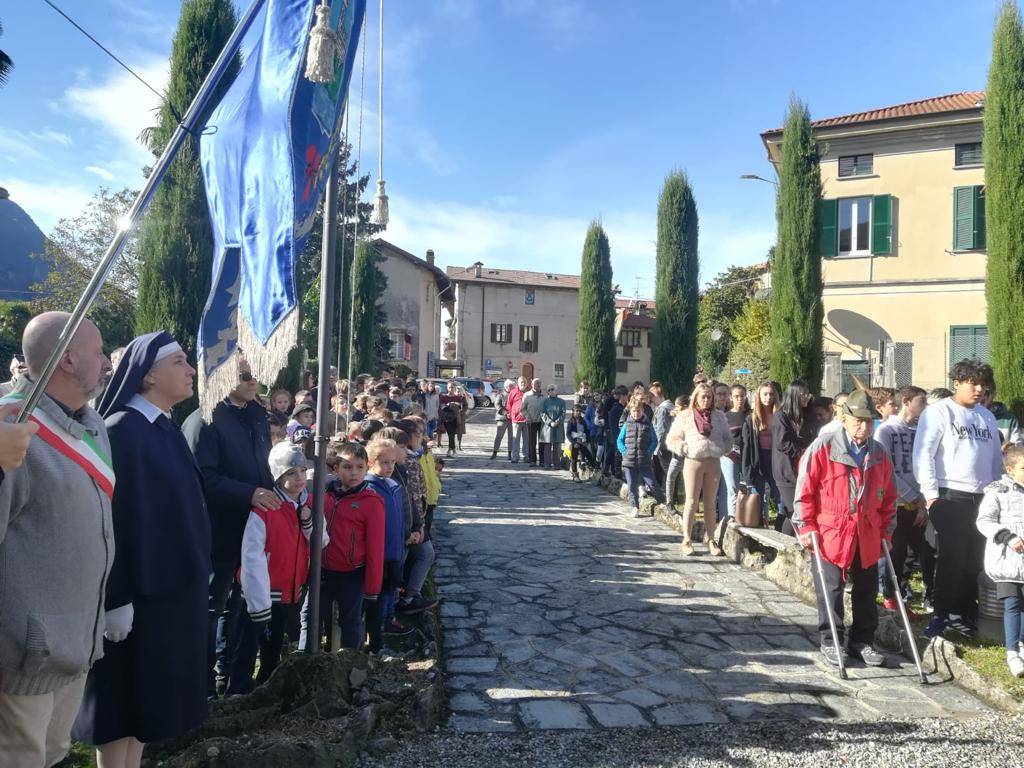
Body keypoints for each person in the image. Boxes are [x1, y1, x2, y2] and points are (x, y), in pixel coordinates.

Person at [72, 332, 210, 768]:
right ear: (148, 374)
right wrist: (117, 598)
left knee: (147, 710)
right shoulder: (122, 431)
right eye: (181, 362)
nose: (191, 371)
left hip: (169, 594)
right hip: (138, 596)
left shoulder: (163, 426)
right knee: (122, 706)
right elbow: (111, 521)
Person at [0, 312, 112, 768]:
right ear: (67, 359)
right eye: (100, 351)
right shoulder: (11, 428)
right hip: (25, 653)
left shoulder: (93, 425)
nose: (108, 361)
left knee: (52, 754)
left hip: (76, 640)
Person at [793, 390, 896, 668]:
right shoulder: (823, 447)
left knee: (866, 589)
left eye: (870, 422)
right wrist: (805, 526)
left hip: (868, 531)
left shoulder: (879, 453)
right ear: (844, 419)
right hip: (830, 531)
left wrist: (887, 531)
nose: (864, 427)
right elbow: (805, 491)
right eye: (859, 421)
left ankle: (862, 642)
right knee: (832, 589)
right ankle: (832, 640)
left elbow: (888, 497)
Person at [195, 356, 274, 698]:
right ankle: (203, 687)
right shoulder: (207, 419)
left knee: (245, 603)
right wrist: (250, 493)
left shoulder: (256, 413)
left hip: (253, 526)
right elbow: (204, 478)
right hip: (219, 528)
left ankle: (234, 677)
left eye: (255, 373)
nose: (252, 380)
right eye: (243, 375)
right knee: (212, 606)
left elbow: (263, 465)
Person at [914, 360, 1003, 639]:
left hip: (983, 496)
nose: (979, 389)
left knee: (975, 558)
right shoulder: (938, 412)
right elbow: (923, 454)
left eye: (983, 385)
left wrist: (998, 493)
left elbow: (995, 460)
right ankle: (941, 613)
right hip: (950, 494)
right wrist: (930, 497)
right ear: (957, 382)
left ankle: (963, 612)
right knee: (952, 557)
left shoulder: (986, 417)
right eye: (973, 383)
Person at [230, 442, 328, 692]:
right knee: (249, 644)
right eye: (290, 473)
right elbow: (252, 555)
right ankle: (237, 689)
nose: (299, 479)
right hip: (264, 591)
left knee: (275, 644)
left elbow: (322, 541)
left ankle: (266, 687)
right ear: (278, 476)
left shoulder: (308, 505)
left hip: (291, 587)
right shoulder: (266, 509)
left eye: (302, 472)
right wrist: (257, 599)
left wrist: (309, 526)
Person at [874, 385, 928, 617]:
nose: (924, 407)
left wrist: (923, 501)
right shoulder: (886, 431)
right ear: (906, 401)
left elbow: (926, 467)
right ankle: (889, 597)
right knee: (894, 554)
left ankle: (902, 595)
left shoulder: (919, 431)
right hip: (895, 504)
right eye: (921, 402)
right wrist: (912, 496)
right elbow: (886, 470)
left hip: (917, 504)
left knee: (913, 554)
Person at [667, 382, 732, 556]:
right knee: (691, 501)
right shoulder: (685, 416)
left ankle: (711, 539)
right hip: (693, 461)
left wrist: (724, 448)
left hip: (713, 462)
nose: (706, 400)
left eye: (709, 397)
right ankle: (686, 539)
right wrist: (685, 448)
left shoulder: (719, 417)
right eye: (702, 397)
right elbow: (672, 439)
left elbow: (728, 438)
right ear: (695, 397)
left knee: (710, 503)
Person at [976, 444, 1024, 677]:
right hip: (1008, 562)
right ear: (1010, 469)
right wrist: (1008, 537)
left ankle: (1022, 644)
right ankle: (1012, 651)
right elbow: (984, 521)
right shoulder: (998, 492)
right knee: (1012, 605)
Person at [771, 380, 815, 534]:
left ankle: (784, 544)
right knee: (794, 512)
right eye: (802, 394)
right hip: (786, 473)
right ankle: (786, 547)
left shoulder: (806, 415)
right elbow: (782, 443)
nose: (806, 397)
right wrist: (805, 450)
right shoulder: (781, 416)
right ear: (794, 395)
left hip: (803, 471)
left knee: (793, 511)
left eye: (807, 394)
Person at [739, 381, 782, 523]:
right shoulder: (751, 419)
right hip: (757, 460)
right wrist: (747, 472)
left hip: (775, 461)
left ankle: (782, 529)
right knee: (756, 499)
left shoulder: (780, 416)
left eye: (771, 394)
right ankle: (755, 531)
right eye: (765, 394)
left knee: (781, 498)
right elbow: (746, 447)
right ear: (759, 396)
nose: (768, 397)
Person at [617, 392, 660, 517]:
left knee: (652, 483)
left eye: (638, 411)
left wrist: (648, 453)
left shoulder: (647, 424)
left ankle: (662, 503)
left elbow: (654, 440)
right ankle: (635, 506)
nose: (636, 413)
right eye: (634, 411)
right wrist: (624, 452)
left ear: (643, 410)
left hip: (644, 460)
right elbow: (619, 440)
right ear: (631, 411)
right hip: (629, 461)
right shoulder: (626, 424)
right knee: (632, 485)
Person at [719, 384, 750, 524]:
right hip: (729, 455)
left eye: (742, 396)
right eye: (736, 396)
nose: (739, 399)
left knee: (747, 486)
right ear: (731, 398)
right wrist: (728, 451)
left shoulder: (750, 415)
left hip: (747, 454)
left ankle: (748, 516)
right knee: (732, 488)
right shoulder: (725, 416)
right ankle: (732, 517)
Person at [650, 382, 673, 491]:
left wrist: (656, 447)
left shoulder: (663, 409)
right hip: (666, 444)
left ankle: (669, 496)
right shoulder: (666, 406)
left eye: (652, 397)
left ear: (656, 396)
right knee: (664, 471)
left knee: (665, 471)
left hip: (663, 446)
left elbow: (661, 430)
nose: (651, 400)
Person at [603, 386, 629, 478]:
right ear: (622, 396)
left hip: (616, 433)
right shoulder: (617, 408)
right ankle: (614, 471)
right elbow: (615, 424)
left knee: (612, 450)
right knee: (615, 451)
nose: (627, 397)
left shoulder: (620, 407)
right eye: (626, 395)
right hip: (616, 433)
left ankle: (607, 469)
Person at [540, 384, 566, 469]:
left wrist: (557, 422)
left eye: (552, 389)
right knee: (547, 446)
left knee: (557, 446)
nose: (551, 391)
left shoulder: (561, 401)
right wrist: (550, 422)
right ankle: (547, 464)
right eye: (549, 390)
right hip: (547, 427)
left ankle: (557, 464)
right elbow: (542, 413)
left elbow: (563, 413)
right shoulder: (544, 401)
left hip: (558, 427)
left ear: (556, 391)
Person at [566, 405, 596, 481]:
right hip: (575, 443)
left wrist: (587, 441)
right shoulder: (571, 422)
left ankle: (595, 470)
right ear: (573, 412)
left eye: (579, 411)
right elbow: (568, 434)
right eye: (577, 411)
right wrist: (573, 442)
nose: (578, 413)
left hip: (582, 442)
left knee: (589, 456)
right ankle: (575, 475)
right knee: (574, 458)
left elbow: (586, 431)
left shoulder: (583, 421)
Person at [523, 378, 544, 466]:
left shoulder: (544, 395)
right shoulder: (527, 395)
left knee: (542, 441)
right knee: (532, 441)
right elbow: (522, 409)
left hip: (542, 422)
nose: (538, 385)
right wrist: (527, 417)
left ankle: (542, 461)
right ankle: (533, 460)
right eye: (536, 383)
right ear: (532, 385)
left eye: (539, 383)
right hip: (531, 421)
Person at [490, 380, 513, 460]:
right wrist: (505, 413)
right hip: (502, 418)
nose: (512, 387)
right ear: (506, 387)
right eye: (511, 386)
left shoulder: (514, 394)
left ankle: (510, 454)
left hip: (512, 419)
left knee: (511, 437)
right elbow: (497, 406)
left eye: (512, 386)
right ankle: (494, 452)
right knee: (499, 436)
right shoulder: (500, 395)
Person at [508, 377, 528, 463]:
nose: (523, 384)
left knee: (526, 439)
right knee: (516, 439)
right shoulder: (513, 392)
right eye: (521, 382)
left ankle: (526, 456)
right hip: (516, 420)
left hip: (527, 419)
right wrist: (511, 413)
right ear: (518, 383)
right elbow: (509, 404)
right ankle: (515, 457)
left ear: (527, 384)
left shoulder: (529, 393)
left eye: (524, 382)